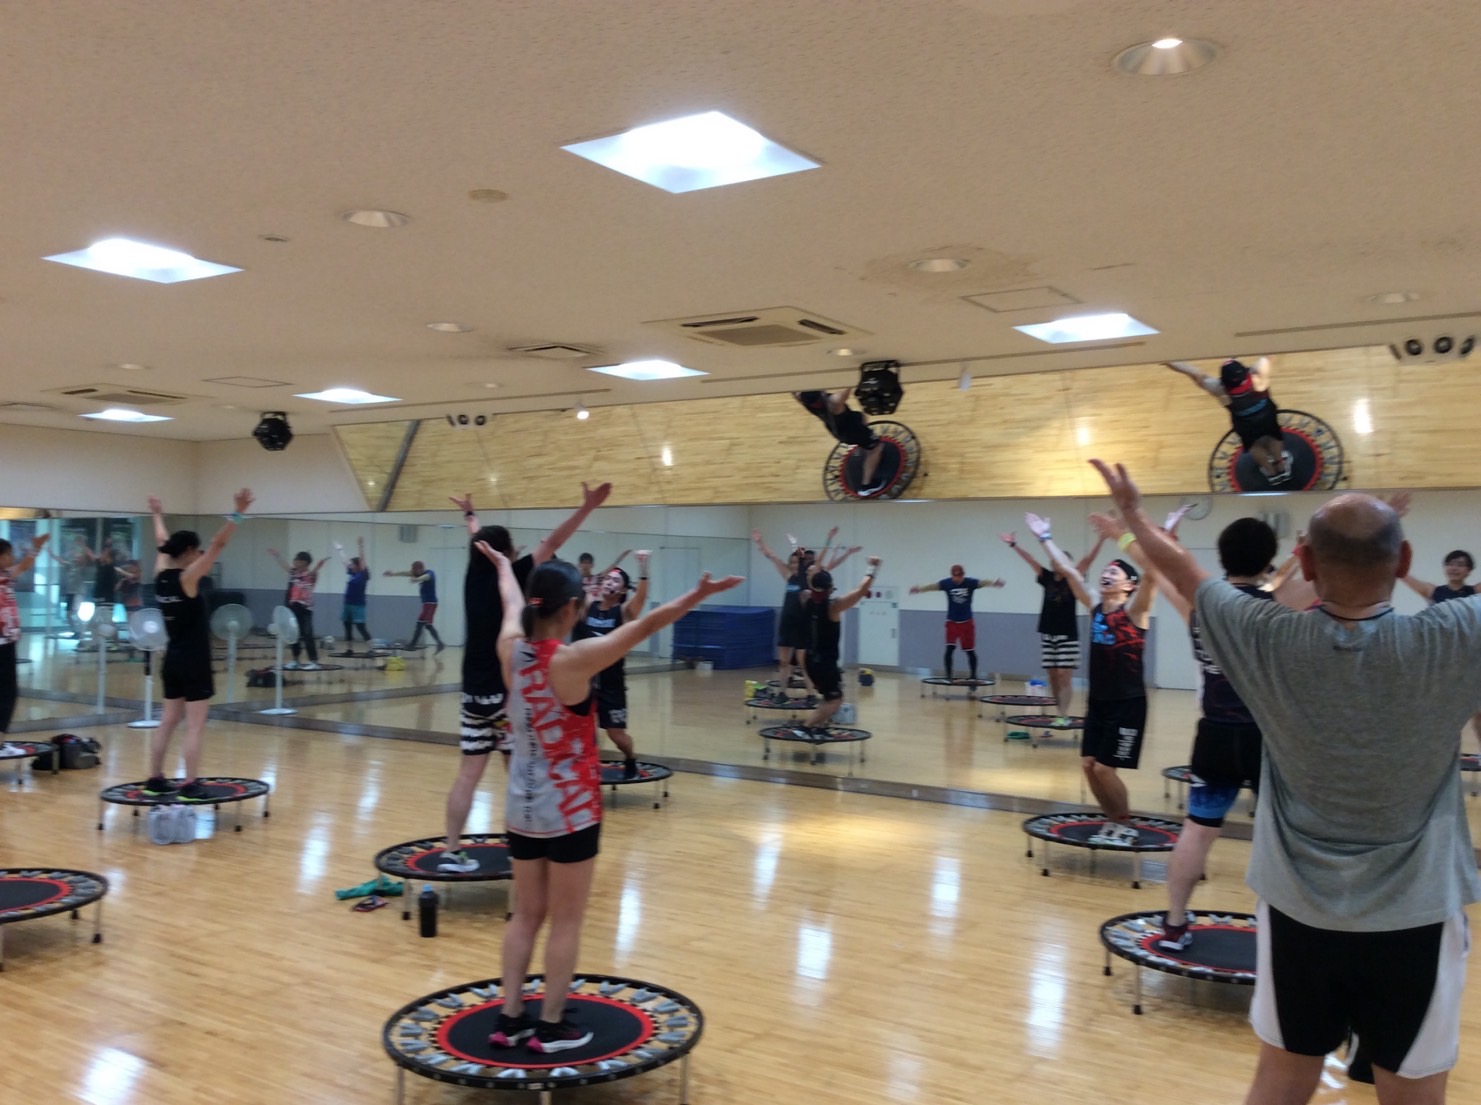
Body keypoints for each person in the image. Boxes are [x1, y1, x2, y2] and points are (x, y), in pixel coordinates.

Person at [1094, 458, 1481, 1105]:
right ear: (1405, 559)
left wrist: (1132, 515)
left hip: (1297, 913)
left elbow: (1185, 573)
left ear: (1302, 560)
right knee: (1413, 1093)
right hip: (1416, 915)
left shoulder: (1267, 638)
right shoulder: (1456, 632)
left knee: (1281, 1079)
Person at [481, 546, 741, 1052]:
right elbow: (645, 627)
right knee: (566, 919)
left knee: (525, 915)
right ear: (570, 609)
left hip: (521, 808)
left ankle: (510, 1018)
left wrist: (504, 569)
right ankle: (550, 1026)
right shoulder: (573, 660)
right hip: (571, 812)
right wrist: (698, 593)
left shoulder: (510, 651)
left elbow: (510, 602)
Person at [1093, 511, 1277, 952]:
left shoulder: (1201, 606)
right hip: (1265, 739)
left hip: (1214, 736)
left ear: (1222, 558)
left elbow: (1155, 565)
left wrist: (1121, 534)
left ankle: (1174, 925)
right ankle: (1280, 931)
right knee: (1278, 835)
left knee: (1197, 830)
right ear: (1268, 560)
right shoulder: (1277, 607)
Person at [439, 482, 612, 874]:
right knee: (519, 771)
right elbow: (553, 542)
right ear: (506, 552)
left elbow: (478, 542)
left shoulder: (473, 575)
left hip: (472, 695)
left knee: (468, 775)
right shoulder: (515, 574)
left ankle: (451, 850)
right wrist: (586, 507)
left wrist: (470, 515)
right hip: (504, 694)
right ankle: (528, 844)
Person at [1024, 510, 1157, 844]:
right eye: (1105, 571)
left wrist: (1125, 533)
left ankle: (1124, 823)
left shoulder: (1136, 610)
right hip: (1098, 703)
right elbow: (1069, 571)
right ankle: (1112, 821)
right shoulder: (1095, 605)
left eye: (1114, 572)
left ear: (1129, 585)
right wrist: (1044, 538)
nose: (1106, 574)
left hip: (1128, 704)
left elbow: (1152, 574)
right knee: (1088, 765)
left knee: (1104, 769)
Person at [144, 489, 254, 801]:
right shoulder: (188, 578)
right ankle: (190, 785)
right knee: (194, 726)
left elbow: (162, 541)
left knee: (167, 721)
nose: (201, 553)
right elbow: (219, 544)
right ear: (190, 550)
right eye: (197, 550)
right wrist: (237, 513)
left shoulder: (160, 575)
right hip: (194, 660)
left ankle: (155, 778)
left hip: (172, 659)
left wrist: (157, 514)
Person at [999, 530, 1105, 718]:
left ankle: (1063, 715)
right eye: (1056, 559)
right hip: (1048, 633)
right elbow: (1030, 560)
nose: (1058, 562)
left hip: (1068, 634)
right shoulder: (1046, 577)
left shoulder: (1073, 579)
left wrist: (1101, 539)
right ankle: (1059, 712)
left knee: (1064, 675)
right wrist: (1013, 545)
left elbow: (1088, 560)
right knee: (1053, 676)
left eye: (1063, 560)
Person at [752, 528, 861, 702]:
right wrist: (760, 542)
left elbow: (824, 561)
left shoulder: (810, 578)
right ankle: (782, 693)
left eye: (797, 562)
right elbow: (772, 556)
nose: (794, 565)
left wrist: (829, 541)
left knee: (803, 663)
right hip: (786, 623)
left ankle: (811, 694)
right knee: (783, 661)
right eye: (792, 563)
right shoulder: (788, 576)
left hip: (802, 625)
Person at [576, 552, 650, 778]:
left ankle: (630, 758)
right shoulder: (589, 605)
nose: (609, 582)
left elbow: (641, 597)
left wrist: (643, 567)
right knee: (582, 729)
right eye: (608, 579)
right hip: (585, 682)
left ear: (623, 590)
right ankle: (586, 764)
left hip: (612, 684)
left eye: (615, 581)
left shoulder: (624, 612)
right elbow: (574, 593)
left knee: (616, 735)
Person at [792, 557, 881, 735]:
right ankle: (805, 728)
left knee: (828, 696)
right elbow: (861, 590)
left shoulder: (806, 598)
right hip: (825, 662)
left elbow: (811, 581)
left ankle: (819, 727)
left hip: (810, 658)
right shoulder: (833, 606)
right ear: (829, 587)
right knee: (835, 701)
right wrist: (872, 567)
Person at [1167, 357, 1290, 482]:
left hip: (1244, 423)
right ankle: (1280, 466)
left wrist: (1167, 360)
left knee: (1254, 445)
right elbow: (1268, 358)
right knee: (1274, 437)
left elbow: (1193, 372)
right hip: (1267, 416)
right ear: (1245, 373)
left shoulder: (1218, 388)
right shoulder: (1257, 377)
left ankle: (1270, 472)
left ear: (1224, 381)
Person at [908, 565, 1005, 683]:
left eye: (959, 576)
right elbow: (933, 586)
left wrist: (994, 583)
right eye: (954, 576)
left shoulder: (970, 583)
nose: (956, 579)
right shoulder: (947, 583)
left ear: (963, 575)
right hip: (952, 622)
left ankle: (973, 676)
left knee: (970, 651)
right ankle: (949, 676)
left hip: (967, 622)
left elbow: (983, 582)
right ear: (952, 575)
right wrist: (919, 589)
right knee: (949, 649)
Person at [0, 533, 50, 745]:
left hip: (7, 642)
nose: (12, 558)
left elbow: (24, 565)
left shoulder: (7, 575)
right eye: (8, 555)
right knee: (6, 692)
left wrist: (36, 547)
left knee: (9, 692)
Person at [794, 389, 887, 495]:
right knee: (876, 448)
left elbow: (794, 391)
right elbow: (847, 386)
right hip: (853, 431)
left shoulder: (804, 401)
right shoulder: (834, 402)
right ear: (820, 394)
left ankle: (864, 446)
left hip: (839, 428)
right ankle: (866, 486)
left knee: (860, 416)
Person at [267, 548, 329, 669]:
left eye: (297, 559)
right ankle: (295, 660)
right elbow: (284, 565)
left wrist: (318, 565)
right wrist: (277, 555)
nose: (294, 561)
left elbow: (315, 573)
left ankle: (314, 661)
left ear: (304, 562)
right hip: (293, 607)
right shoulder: (293, 573)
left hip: (305, 608)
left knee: (307, 634)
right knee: (293, 634)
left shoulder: (311, 575)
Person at [383, 559, 445, 653]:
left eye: (415, 571)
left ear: (420, 569)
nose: (413, 573)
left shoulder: (430, 573)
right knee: (427, 625)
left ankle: (412, 644)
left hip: (430, 603)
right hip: (427, 604)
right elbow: (405, 573)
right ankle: (440, 644)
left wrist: (417, 579)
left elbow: (427, 577)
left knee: (420, 623)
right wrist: (393, 574)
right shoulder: (417, 573)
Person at [334, 537, 373, 651]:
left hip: (358, 605)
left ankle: (371, 649)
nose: (350, 565)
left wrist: (360, 546)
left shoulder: (362, 575)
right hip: (348, 603)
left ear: (358, 565)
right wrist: (340, 550)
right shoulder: (352, 572)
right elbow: (344, 561)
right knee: (347, 625)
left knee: (360, 627)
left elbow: (362, 560)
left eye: (352, 564)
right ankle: (349, 649)